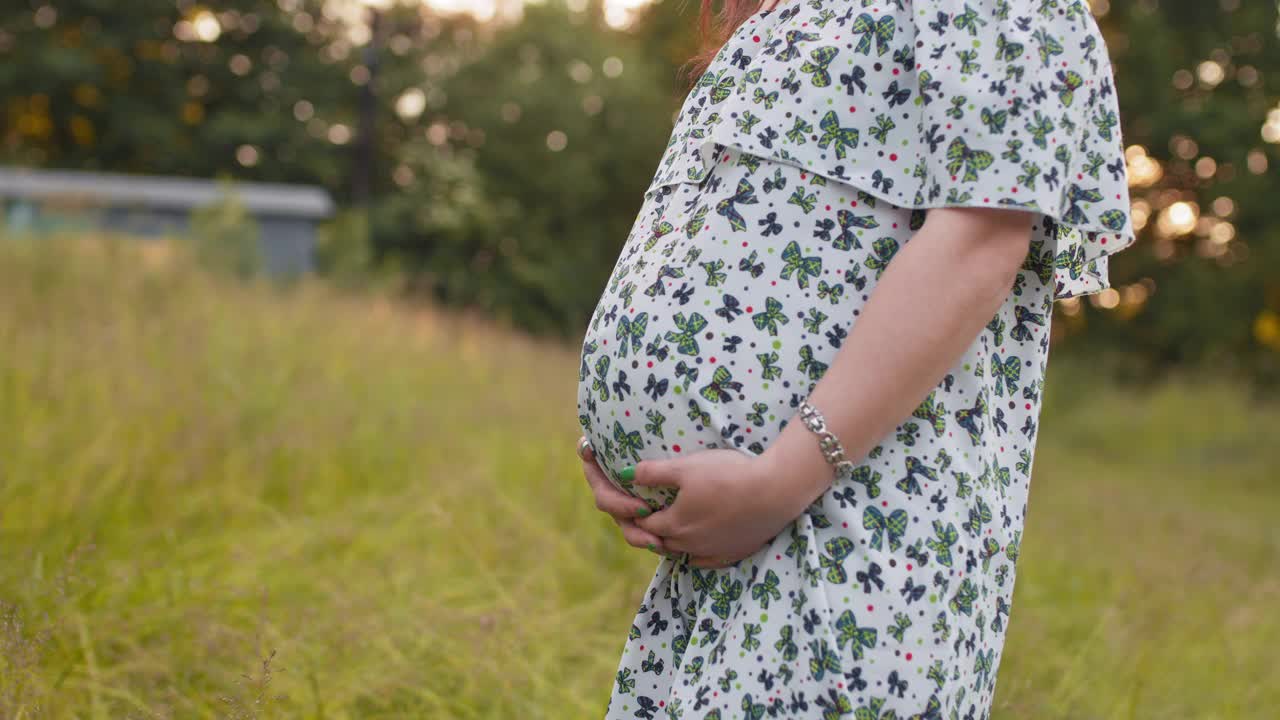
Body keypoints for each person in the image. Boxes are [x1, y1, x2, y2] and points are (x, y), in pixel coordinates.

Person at [575, 0, 1134, 717]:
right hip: (730, 548)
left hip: (850, 539)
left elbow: (982, 236)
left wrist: (779, 481)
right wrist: (627, 434)